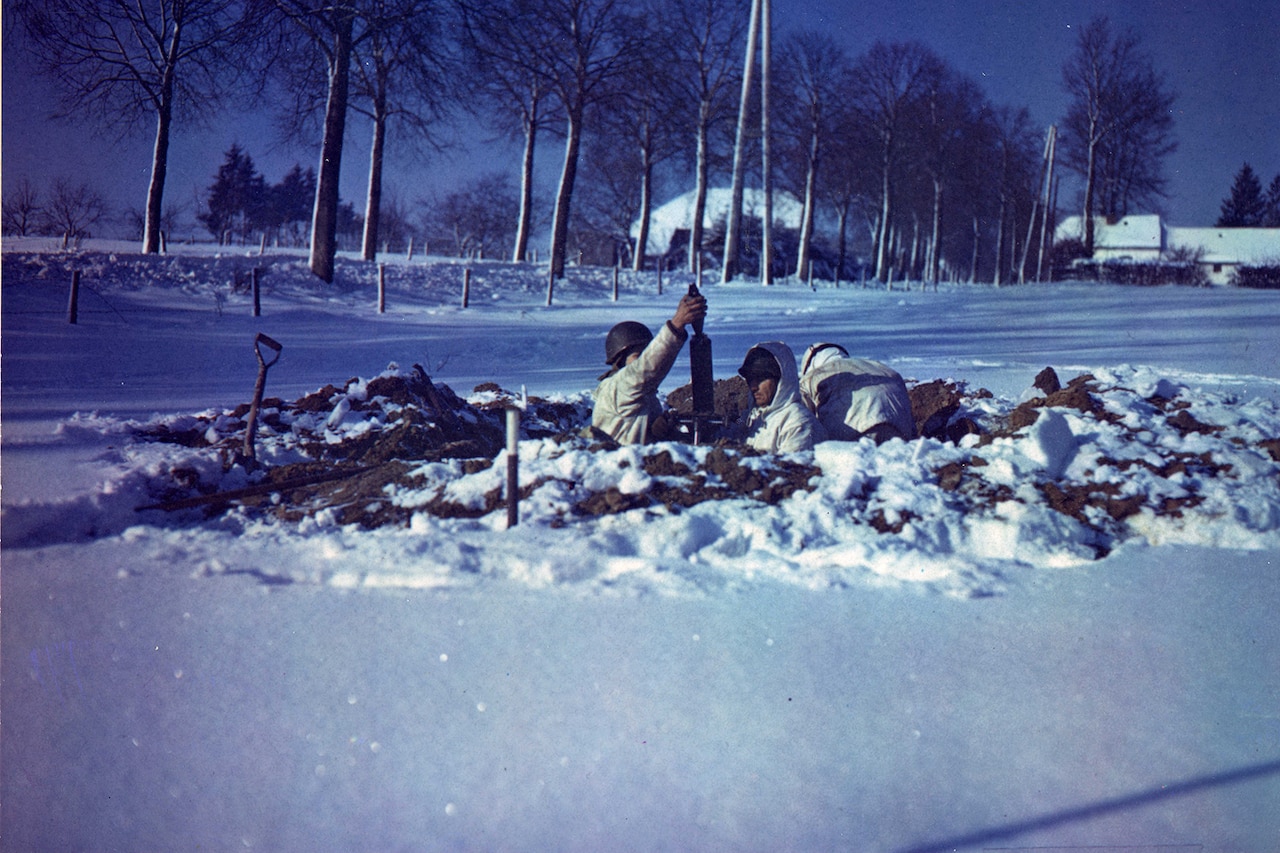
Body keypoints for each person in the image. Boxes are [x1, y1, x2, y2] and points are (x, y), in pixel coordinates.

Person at [591, 291, 707, 444]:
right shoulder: (616, 388)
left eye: (646, 354)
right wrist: (676, 325)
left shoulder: (643, 395)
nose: (643, 360)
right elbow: (645, 368)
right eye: (637, 356)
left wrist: (658, 431)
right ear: (619, 362)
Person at [798, 343, 916, 444]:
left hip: (853, 439)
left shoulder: (813, 377)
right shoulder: (885, 369)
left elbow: (802, 418)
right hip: (899, 435)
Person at [735, 341, 824, 453]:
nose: (753, 387)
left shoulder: (798, 424)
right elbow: (732, 434)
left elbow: (787, 468)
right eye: (750, 378)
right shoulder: (752, 418)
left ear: (781, 380)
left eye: (761, 379)